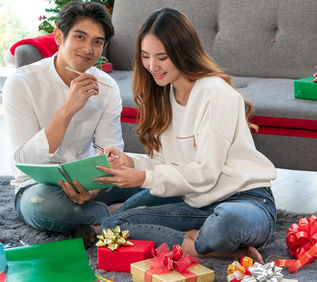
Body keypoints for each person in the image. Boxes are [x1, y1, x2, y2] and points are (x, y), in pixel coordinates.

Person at [95, 7, 277, 262]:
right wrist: (131, 162)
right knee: (113, 225)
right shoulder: (163, 95)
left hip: (246, 201)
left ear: (183, 52)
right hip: (196, 203)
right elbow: (166, 163)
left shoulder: (215, 92)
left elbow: (206, 173)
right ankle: (204, 247)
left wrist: (141, 177)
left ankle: (198, 239)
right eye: (146, 56)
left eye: (162, 57)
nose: (152, 66)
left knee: (226, 221)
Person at [3, 1, 142, 248]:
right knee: (42, 206)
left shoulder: (106, 87)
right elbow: (23, 159)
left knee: (156, 179)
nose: (88, 49)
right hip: (40, 188)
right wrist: (69, 108)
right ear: (59, 36)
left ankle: (106, 214)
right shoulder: (22, 83)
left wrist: (94, 191)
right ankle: (130, 216)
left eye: (97, 42)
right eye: (80, 36)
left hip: (92, 182)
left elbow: (110, 152)